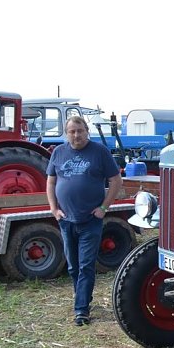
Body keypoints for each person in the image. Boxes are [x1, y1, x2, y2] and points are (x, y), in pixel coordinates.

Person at [46, 115, 121, 326]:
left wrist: (104, 208)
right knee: (73, 266)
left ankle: (81, 310)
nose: (76, 135)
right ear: (66, 133)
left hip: (90, 220)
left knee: (86, 265)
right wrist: (53, 209)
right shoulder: (59, 153)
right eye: (72, 131)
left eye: (80, 131)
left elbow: (116, 180)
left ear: (87, 131)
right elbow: (51, 182)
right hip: (66, 220)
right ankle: (82, 297)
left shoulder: (99, 152)